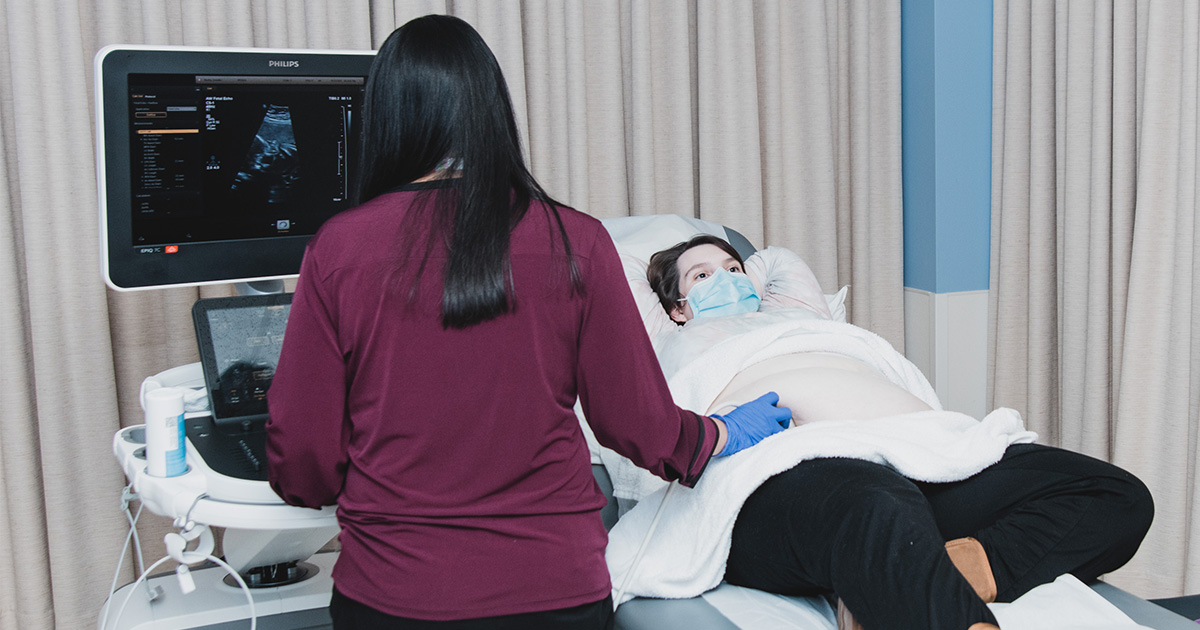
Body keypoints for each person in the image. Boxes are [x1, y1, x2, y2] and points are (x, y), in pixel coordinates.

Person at [264, 16, 791, 630]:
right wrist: (720, 435)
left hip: (395, 599)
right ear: (493, 114)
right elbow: (636, 425)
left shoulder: (339, 249)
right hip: (556, 595)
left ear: (386, 120)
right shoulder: (576, 240)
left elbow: (303, 461)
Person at [638, 234, 1155, 630]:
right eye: (702, 276)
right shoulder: (671, 344)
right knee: (874, 502)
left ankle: (907, 575)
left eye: (732, 268)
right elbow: (618, 321)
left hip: (915, 451)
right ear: (677, 308)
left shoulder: (805, 322)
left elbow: (781, 262)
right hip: (791, 471)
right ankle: (909, 579)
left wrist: (744, 273)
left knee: (1117, 496)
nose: (726, 278)